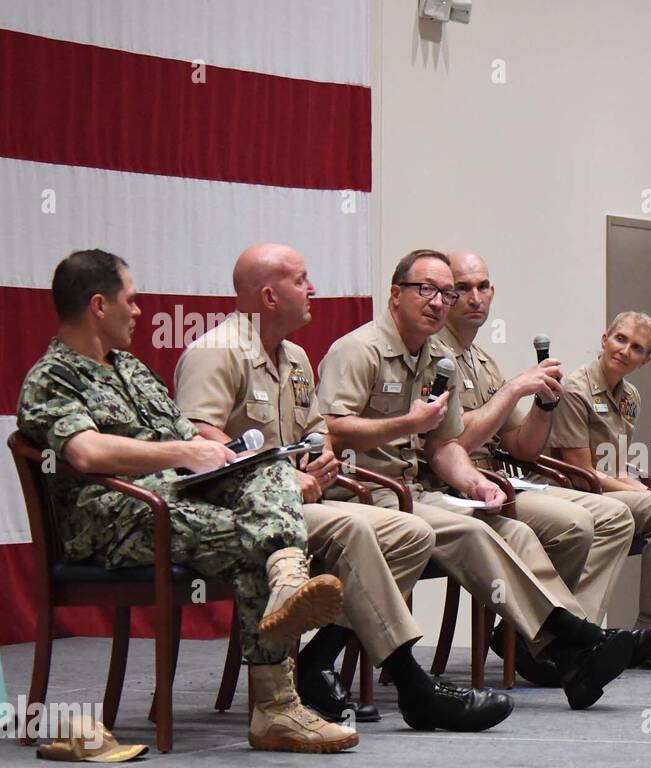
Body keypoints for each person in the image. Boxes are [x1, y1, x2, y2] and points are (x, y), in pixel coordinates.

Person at [17, 250, 354, 753]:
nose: (138, 310)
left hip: (174, 501)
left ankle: (286, 585)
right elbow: (86, 453)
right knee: (253, 546)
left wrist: (231, 457)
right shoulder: (52, 379)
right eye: (130, 301)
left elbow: (189, 441)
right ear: (98, 306)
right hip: (116, 520)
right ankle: (276, 707)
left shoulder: (129, 367)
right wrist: (185, 452)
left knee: (266, 471)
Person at [174, 243, 510, 733]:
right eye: (301, 280)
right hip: (242, 510)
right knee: (358, 529)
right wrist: (288, 475)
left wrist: (319, 455)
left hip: (296, 499)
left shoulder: (293, 357)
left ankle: (317, 662)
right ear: (269, 296)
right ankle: (413, 684)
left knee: (410, 532)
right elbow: (200, 443)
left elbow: (316, 431)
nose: (313, 289)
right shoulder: (217, 352)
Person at [316, 250, 651, 709]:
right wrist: (408, 425)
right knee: (474, 531)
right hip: (362, 493)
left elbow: (445, 446)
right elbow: (331, 427)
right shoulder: (358, 349)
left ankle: (572, 653)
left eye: (447, 293)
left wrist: (475, 484)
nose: (439, 302)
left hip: (415, 491)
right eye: (427, 290)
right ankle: (577, 640)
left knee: (513, 530)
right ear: (396, 294)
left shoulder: (437, 357)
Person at [434, 249, 638, 683]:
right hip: (457, 487)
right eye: (463, 289)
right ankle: (569, 642)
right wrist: (511, 391)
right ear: (446, 295)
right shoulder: (436, 355)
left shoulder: (482, 360)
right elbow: (451, 443)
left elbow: (521, 447)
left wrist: (544, 405)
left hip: (503, 478)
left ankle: (550, 639)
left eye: (482, 287)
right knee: (575, 524)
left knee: (616, 516)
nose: (475, 298)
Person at [550, 311, 651, 669]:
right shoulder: (575, 389)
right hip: (573, 494)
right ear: (604, 338)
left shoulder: (630, 396)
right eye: (620, 339)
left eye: (636, 348)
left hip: (608, 490)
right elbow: (580, 471)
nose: (624, 351)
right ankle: (649, 641)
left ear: (645, 361)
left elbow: (615, 463)